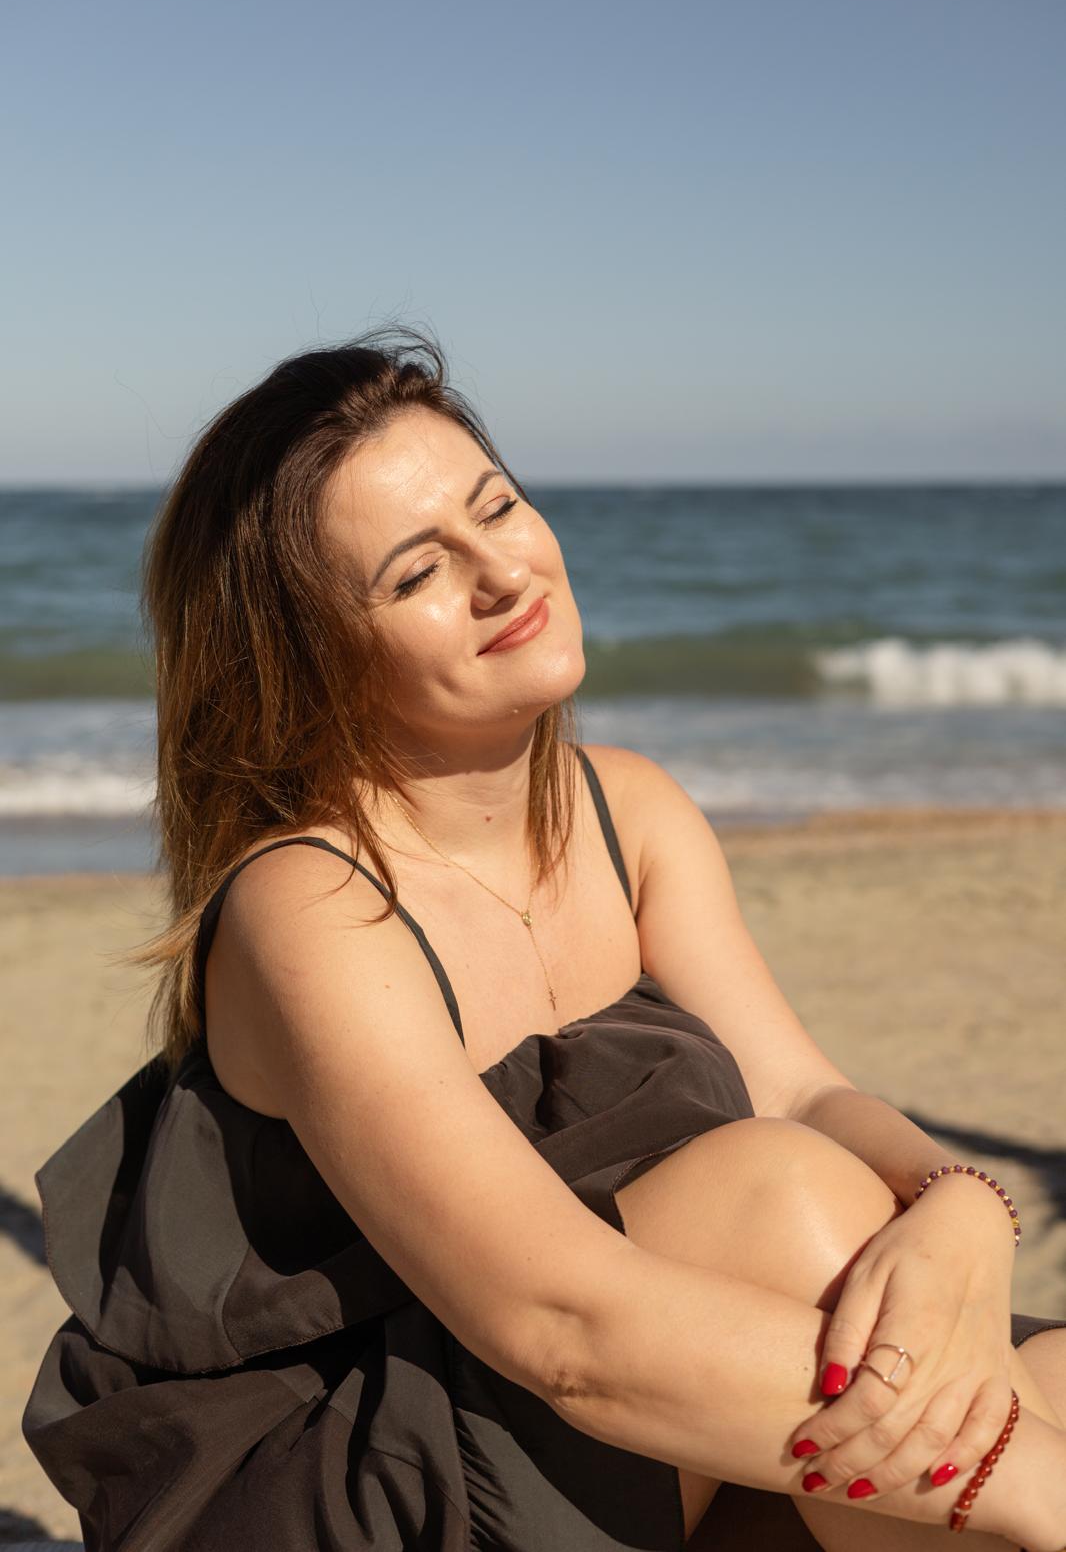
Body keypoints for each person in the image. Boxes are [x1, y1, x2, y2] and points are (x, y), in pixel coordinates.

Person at [22, 328, 1066, 1552]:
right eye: (417, 573)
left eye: (497, 508)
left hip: (623, 1405)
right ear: (311, 661)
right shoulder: (308, 905)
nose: (502, 573)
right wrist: (1016, 1472)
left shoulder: (631, 809)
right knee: (784, 1201)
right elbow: (556, 1327)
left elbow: (799, 1089)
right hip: (384, 1460)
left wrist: (957, 1205)